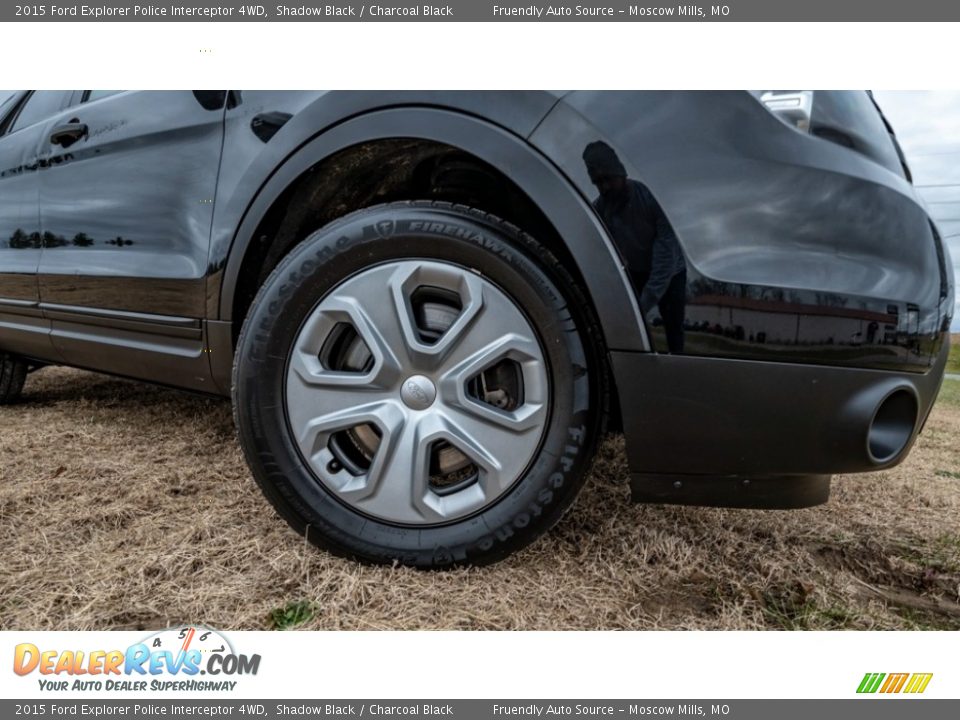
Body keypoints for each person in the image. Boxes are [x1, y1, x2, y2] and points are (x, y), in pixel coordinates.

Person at [582, 141, 687, 353]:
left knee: (674, 329)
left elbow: (665, 255)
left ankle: (679, 370)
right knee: (633, 329)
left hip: (672, 272)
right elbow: (595, 252)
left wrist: (643, 304)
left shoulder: (649, 198)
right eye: (598, 183)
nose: (604, 188)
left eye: (608, 180)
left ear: (620, 174)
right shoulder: (601, 209)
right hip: (636, 271)